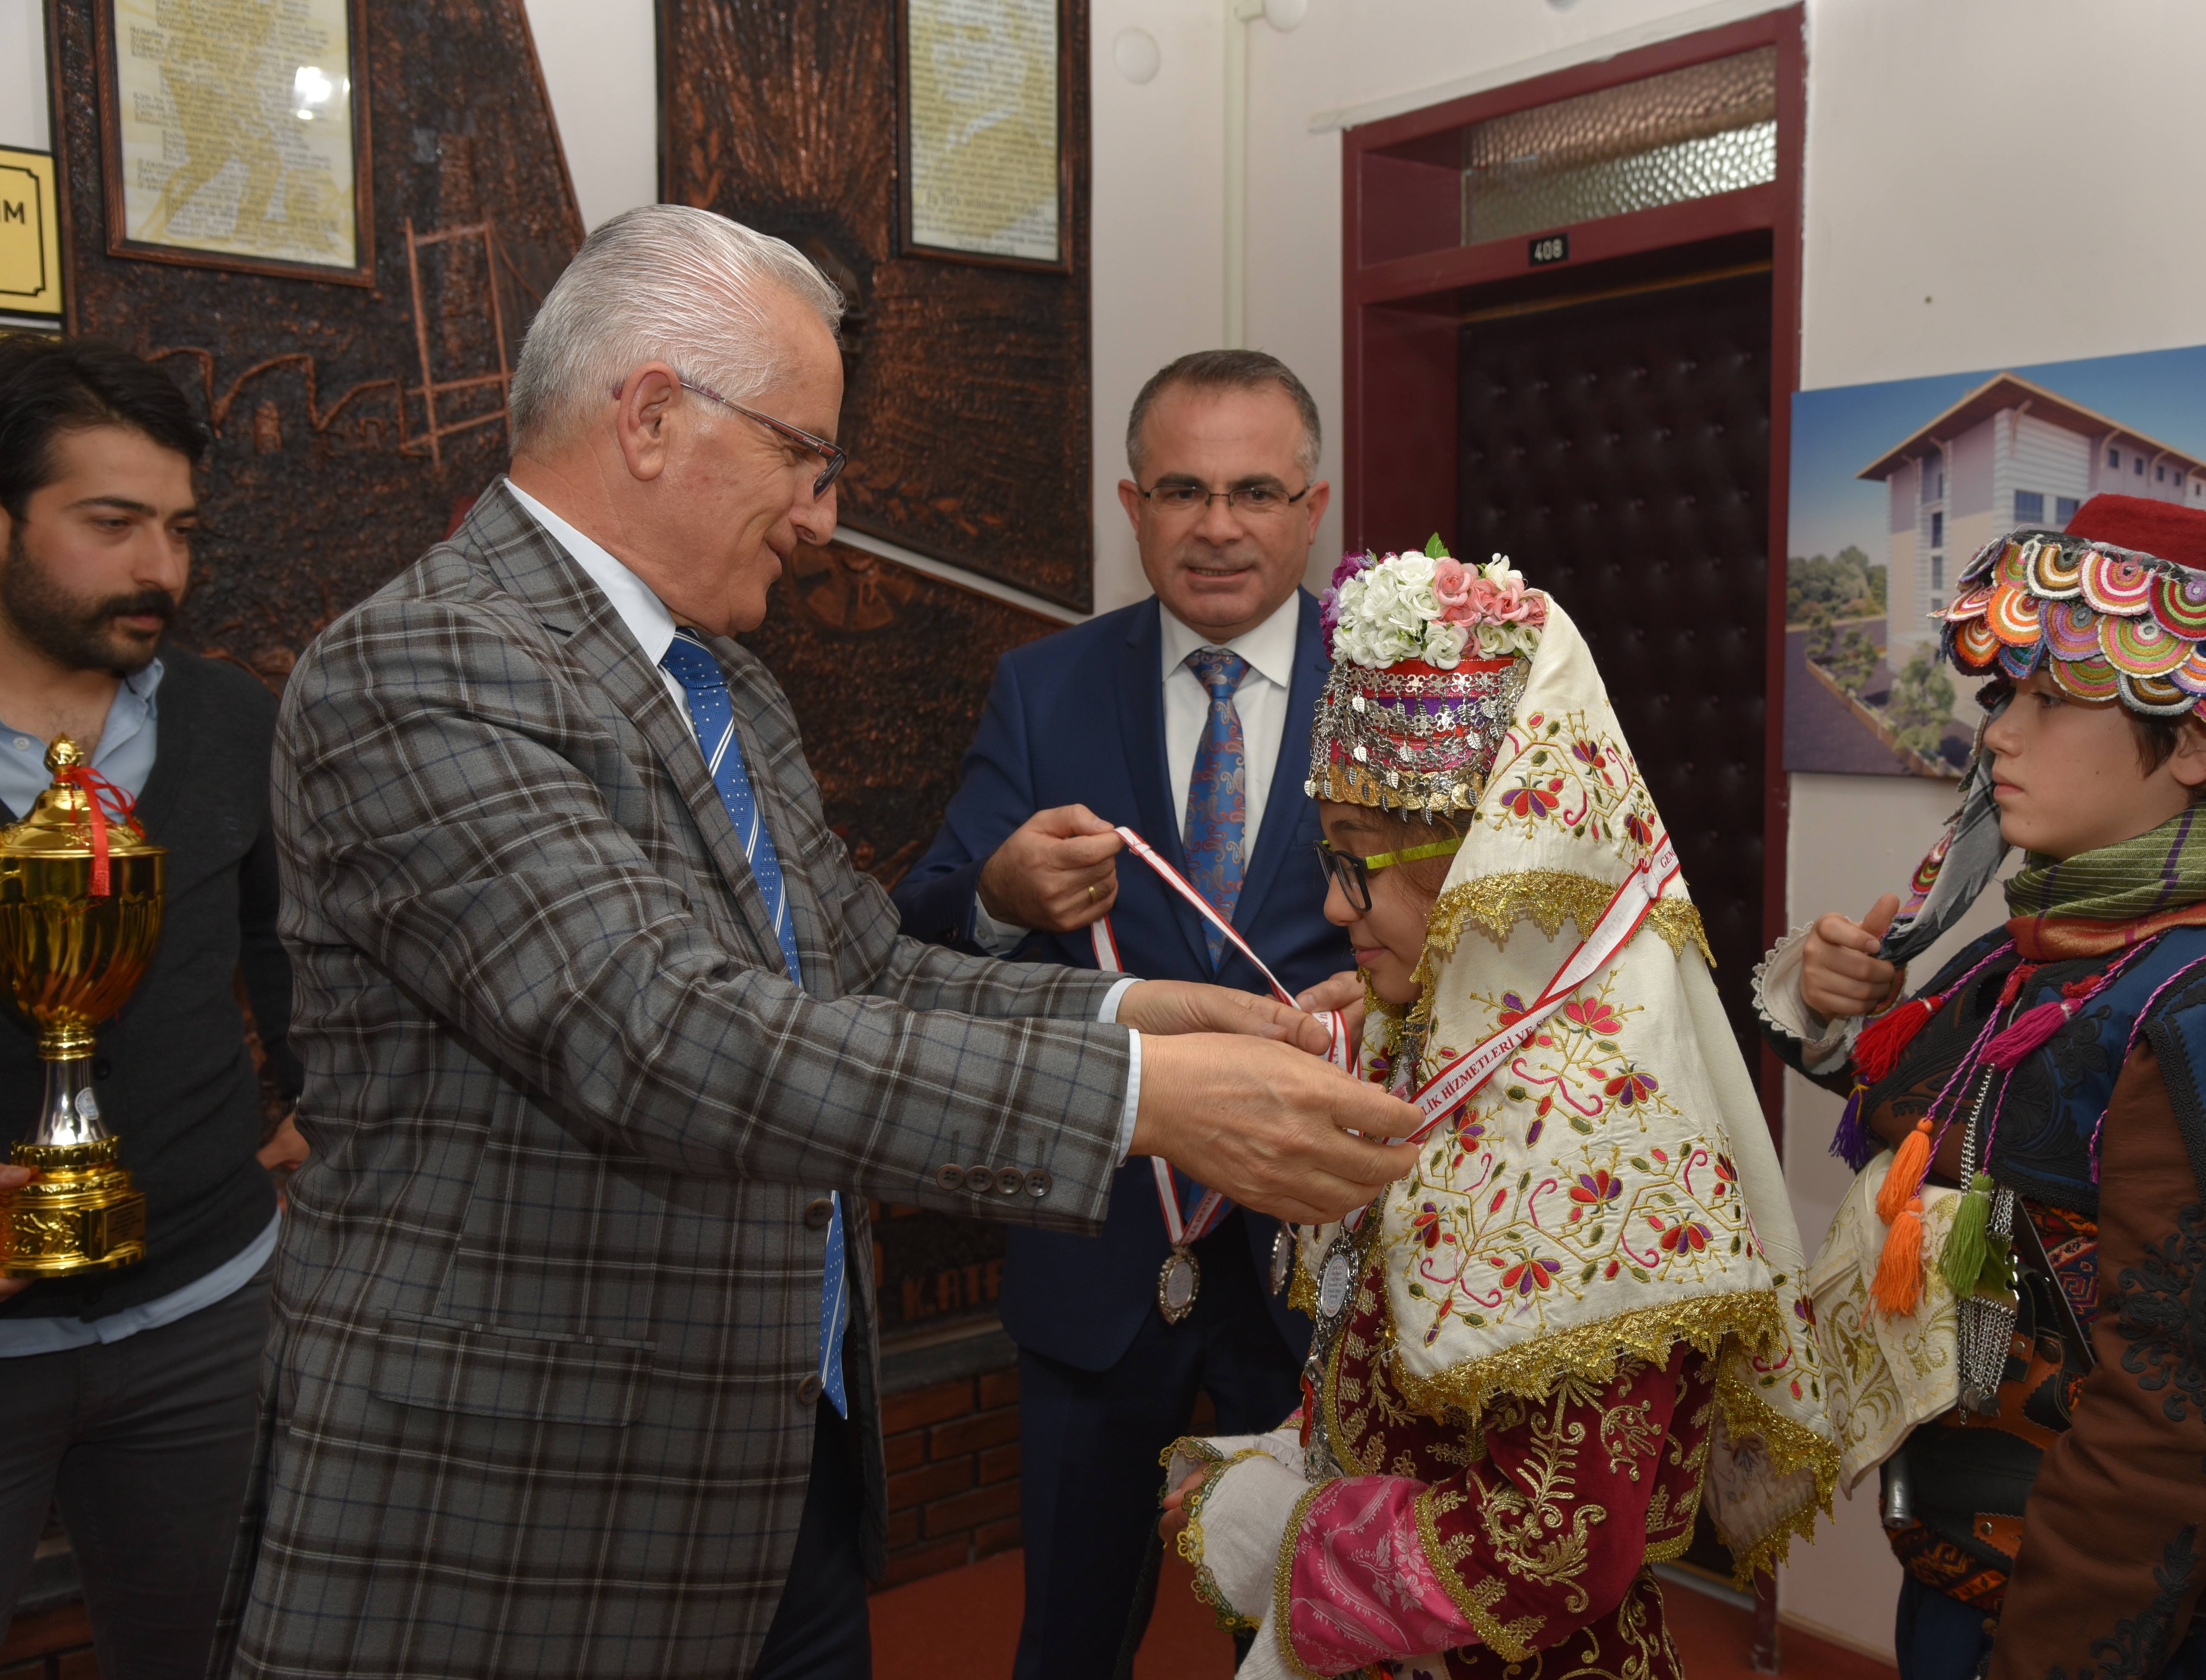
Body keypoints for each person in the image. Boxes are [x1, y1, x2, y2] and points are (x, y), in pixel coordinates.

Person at [210, 205, 1422, 1680]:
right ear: (653, 417)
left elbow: (864, 972)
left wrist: (1134, 1017)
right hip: (527, 1503)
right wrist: (1140, 1100)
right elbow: (661, 1035)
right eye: (804, 456)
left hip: (781, 1464)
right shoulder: (426, 664)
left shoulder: (725, 684)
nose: (822, 516)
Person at [1759, 496, 2206, 1679]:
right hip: (1973, 1589)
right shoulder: (2057, 950)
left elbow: (2165, 1446)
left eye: (2048, 699)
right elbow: (1947, 1124)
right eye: (2004, 697)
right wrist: (1849, 1012)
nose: (1999, 736)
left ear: (2201, 741)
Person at [1157, 543, 1835, 1678]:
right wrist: (1285, 1458)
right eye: (1331, 854)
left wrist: (1280, 1530)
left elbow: (1558, 1540)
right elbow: (1382, 1357)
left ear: (1489, 862)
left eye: (1360, 862)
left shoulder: (1596, 1133)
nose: (1331, 904)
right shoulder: (1427, 1038)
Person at [891, 348, 1348, 1676]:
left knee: (1318, 1637)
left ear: (1313, 509)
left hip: (1317, 1257)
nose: (1218, 527)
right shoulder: (1046, 688)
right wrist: (1000, 889)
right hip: (1101, 1246)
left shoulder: (1404, 686)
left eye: (1255, 492)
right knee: (1072, 1636)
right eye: (1183, 491)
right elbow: (922, 929)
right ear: (1133, 507)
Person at [0, 334, 303, 1680]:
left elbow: (288, 942)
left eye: (179, 531)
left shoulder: (232, 721)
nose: (160, 571)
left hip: (209, 1312)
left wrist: (316, 1107)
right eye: (112, 524)